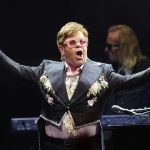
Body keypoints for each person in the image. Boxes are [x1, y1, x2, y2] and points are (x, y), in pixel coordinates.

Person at [0, 22, 150, 150]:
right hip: (52, 145)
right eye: (72, 42)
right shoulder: (46, 69)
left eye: (82, 41)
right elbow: (17, 70)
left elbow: (132, 82)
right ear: (62, 49)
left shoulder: (103, 72)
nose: (79, 45)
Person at [103, 24, 150, 114]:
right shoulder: (108, 71)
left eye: (110, 46)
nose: (106, 50)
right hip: (111, 126)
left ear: (125, 47)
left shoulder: (146, 70)